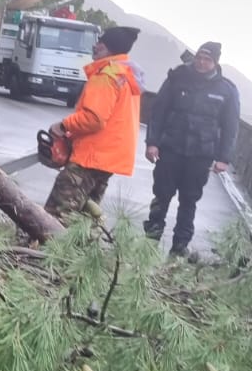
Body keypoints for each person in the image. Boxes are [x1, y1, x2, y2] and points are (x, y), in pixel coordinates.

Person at [144, 41, 241, 256]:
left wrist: (223, 157)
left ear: (215, 62)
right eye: (199, 57)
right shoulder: (177, 78)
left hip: (200, 155)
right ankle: (149, 242)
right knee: (161, 195)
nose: (201, 62)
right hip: (170, 149)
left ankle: (179, 248)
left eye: (207, 59)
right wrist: (152, 142)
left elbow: (230, 126)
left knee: (189, 200)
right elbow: (158, 111)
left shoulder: (227, 90)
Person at [43, 26, 142, 221]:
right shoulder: (126, 74)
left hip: (90, 157)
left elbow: (94, 118)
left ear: (108, 48)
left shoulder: (106, 75)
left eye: (100, 43)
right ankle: (79, 250)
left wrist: (63, 126)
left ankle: (46, 249)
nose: (95, 46)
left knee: (58, 215)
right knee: (86, 218)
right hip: (108, 158)